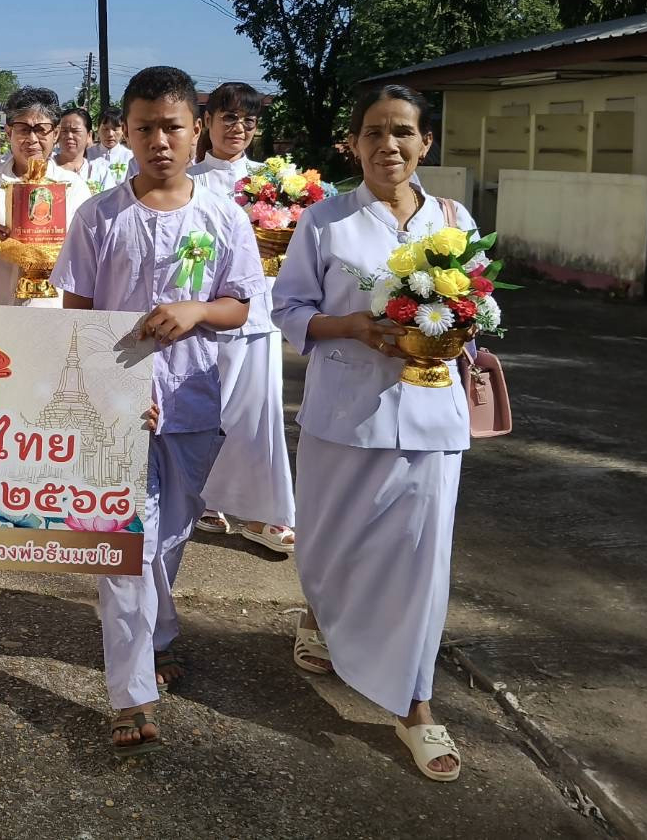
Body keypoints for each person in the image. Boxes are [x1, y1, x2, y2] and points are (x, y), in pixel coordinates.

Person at [53, 66, 264, 755]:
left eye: (172, 126)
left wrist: (198, 309)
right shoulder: (98, 215)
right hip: (121, 411)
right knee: (122, 550)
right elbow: (75, 318)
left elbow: (239, 305)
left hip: (195, 400)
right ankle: (130, 691)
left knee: (168, 544)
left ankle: (157, 639)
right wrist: (107, 397)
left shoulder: (222, 214)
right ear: (126, 132)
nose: (159, 140)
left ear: (194, 129)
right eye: (144, 127)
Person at [272, 83, 472, 783]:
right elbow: (288, 308)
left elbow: (479, 303)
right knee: (327, 549)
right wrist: (355, 325)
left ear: (425, 143)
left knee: (421, 562)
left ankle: (415, 704)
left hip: (429, 418)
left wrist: (454, 335)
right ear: (351, 143)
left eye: (402, 133)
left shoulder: (453, 219)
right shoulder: (324, 223)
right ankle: (319, 615)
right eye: (373, 133)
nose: (388, 145)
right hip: (343, 414)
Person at [188, 83, 296, 555]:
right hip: (203, 311)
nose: (239, 128)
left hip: (258, 313)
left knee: (260, 413)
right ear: (206, 123)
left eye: (249, 121)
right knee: (202, 410)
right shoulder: (188, 180)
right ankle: (203, 498)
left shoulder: (275, 184)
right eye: (229, 118)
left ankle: (263, 511)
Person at [0, 87, 90, 307]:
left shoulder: (73, 186)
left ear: (55, 133)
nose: (32, 139)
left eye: (41, 129)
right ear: (8, 132)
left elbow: (85, 252)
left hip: (48, 309)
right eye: (23, 129)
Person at [53, 106, 112, 193]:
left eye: (75, 131)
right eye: (64, 131)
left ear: (89, 135)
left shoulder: (100, 172)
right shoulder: (47, 168)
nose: (69, 136)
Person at [86, 108, 134, 187]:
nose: (110, 134)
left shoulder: (130, 157)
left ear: (123, 131)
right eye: (105, 129)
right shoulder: (87, 155)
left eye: (115, 129)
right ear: (98, 129)